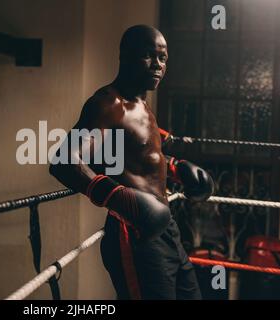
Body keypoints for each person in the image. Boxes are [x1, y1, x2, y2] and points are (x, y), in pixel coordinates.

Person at [49, 25, 214, 300]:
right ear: (125, 56)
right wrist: (118, 198)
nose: (157, 65)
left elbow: (132, 156)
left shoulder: (144, 107)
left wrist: (175, 168)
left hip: (168, 231)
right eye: (148, 56)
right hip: (134, 237)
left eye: (163, 58)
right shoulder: (108, 104)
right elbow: (64, 161)